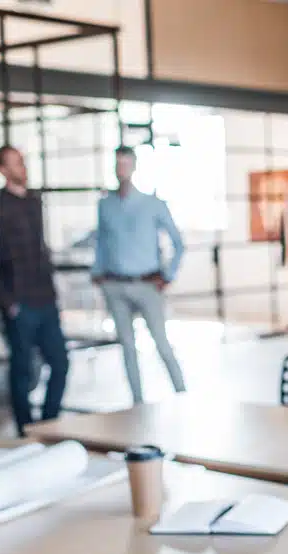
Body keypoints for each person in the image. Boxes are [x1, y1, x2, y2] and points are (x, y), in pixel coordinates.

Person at [0, 145, 69, 436]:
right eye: (15, 163)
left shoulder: (33, 202)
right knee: (22, 371)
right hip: (20, 304)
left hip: (45, 299)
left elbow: (40, 250)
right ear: (2, 170)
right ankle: (26, 431)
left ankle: (48, 424)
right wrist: (8, 303)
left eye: (22, 161)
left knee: (60, 363)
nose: (22, 167)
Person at [91, 146, 186, 405]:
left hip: (147, 285)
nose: (121, 169)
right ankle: (137, 404)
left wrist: (168, 275)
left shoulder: (153, 204)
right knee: (128, 348)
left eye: (126, 164)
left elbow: (178, 243)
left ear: (133, 167)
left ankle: (183, 397)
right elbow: (102, 242)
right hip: (115, 285)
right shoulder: (105, 205)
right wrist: (97, 272)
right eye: (117, 164)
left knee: (162, 344)